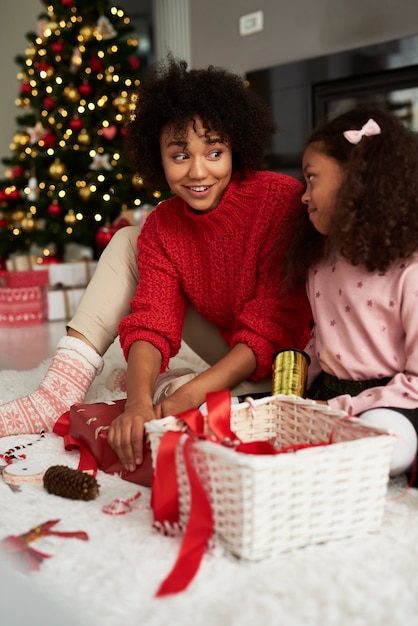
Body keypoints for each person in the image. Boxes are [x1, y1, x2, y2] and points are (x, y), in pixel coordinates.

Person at [0, 57, 312, 470]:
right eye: (180, 156)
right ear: (157, 158)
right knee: (131, 238)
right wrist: (138, 403)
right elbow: (153, 319)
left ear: (236, 147)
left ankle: (190, 388)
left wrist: (188, 394)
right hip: (229, 344)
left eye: (215, 152)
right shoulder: (165, 223)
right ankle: (56, 394)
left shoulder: (279, 199)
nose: (199, 171)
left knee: (189, 398)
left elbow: (273, 328)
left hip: (291, 361)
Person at [283, 104, 418, 477]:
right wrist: (289, 395)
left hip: (395, 401)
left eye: (312, 179)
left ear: (357, 180)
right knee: (251, 418)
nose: (304, 196)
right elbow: (322, 341)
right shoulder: (321, 261)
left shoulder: (411, 269)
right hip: (331, 394)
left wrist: (351, 408)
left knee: (383, 441)